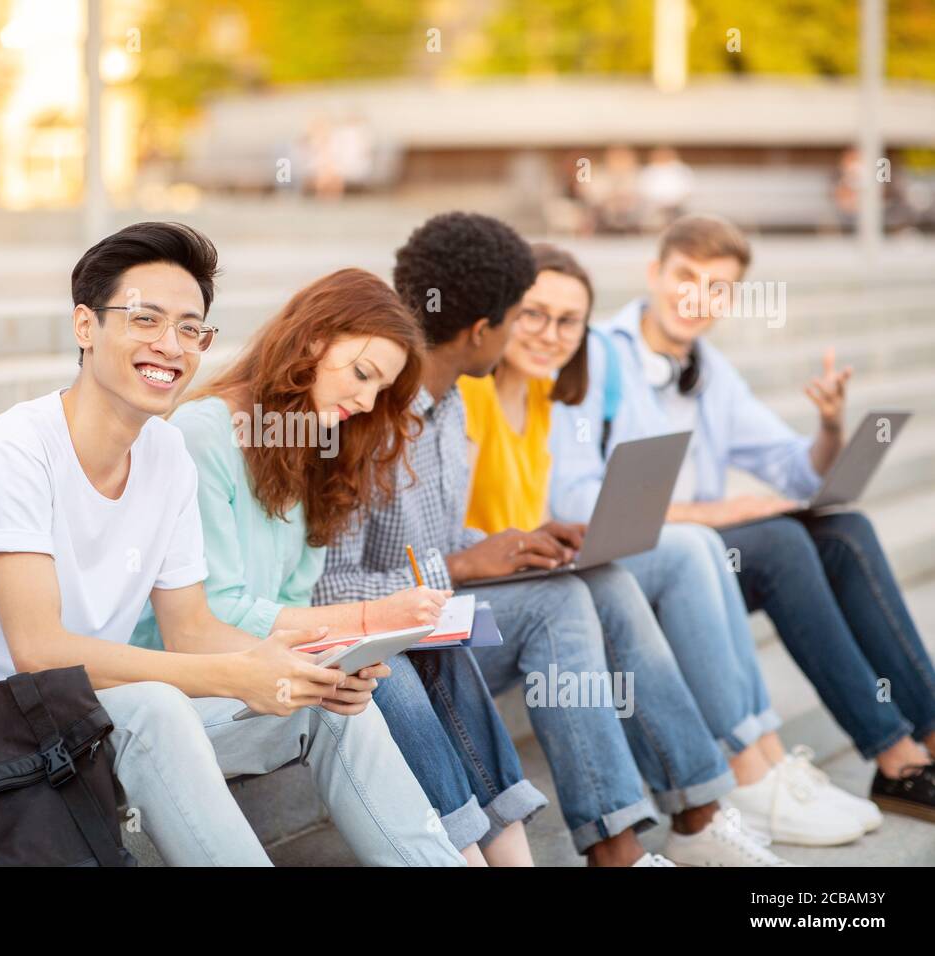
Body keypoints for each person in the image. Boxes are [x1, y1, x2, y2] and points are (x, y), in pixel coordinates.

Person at [0, 221, 466, 867]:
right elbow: (39, 652)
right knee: (156, 706)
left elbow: (193, 630)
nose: (170, 345)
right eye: (145, 319)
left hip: (82, 719)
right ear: (85, 327)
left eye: (189, 329)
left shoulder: (166, 455)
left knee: (321, 705)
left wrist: (304, 668)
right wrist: (234, 676)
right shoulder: (15, 448)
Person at [316, 211, 793, 866]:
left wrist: (510, 543)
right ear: (484, 328)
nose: (533, 336)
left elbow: (449, 540)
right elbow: (329, 585)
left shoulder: (451, 403)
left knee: (589, 582)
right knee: (568, 601)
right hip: (386, 637)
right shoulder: (371, 413)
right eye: (522, 317)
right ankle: (625, 847)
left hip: (440, 617)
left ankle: (671, 825)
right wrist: (461, 561)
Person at [460, 241, 874, 846]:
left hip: (534, 575)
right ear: (499, 314)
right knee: (683, 550)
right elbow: (449, 540)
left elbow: (797, 471)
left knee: (699, 548)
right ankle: (736, 775)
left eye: (567, 320)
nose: (550, 334)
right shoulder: (472, 399)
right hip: (481, 602)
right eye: (534, 314)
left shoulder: (549, 402)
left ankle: (731, 785)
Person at [132, 267, 547, 866]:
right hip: (188, 673)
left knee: (427, 648)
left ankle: (509, 858)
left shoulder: (311, 445)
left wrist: (373, 627)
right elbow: (207, 615)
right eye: (361, 374)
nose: (366, 401)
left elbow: (294, 594)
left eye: (380, 389)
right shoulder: (203, 435)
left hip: (262, 657)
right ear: (310, 343)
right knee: (380, 679)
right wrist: (365, 617)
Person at [549, 213, 935, 824]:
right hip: (639, 562)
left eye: (717, 287)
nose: (697, 297)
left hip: (708, 558)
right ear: (654, 273)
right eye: (686, 276)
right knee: (780, 542)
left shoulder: (711, 371)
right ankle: (895, 756)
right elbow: (573, 504)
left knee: (845, 532)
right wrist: (718, 510)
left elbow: (798, 474)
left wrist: (831, 428)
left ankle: (931, 734)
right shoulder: (596, 357)